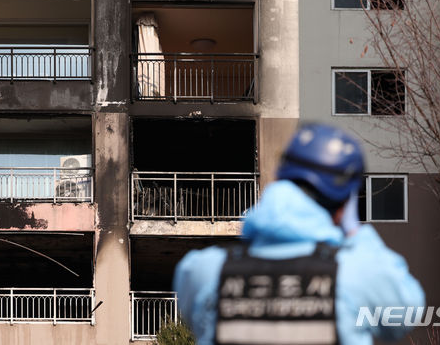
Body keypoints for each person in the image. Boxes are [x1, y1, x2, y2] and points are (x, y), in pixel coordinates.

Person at [173, 123, 425, 345]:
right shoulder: (358, 272)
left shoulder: (201, 270)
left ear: (282, 179)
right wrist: (356, 232)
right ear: (344, 203)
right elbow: (404, 317)